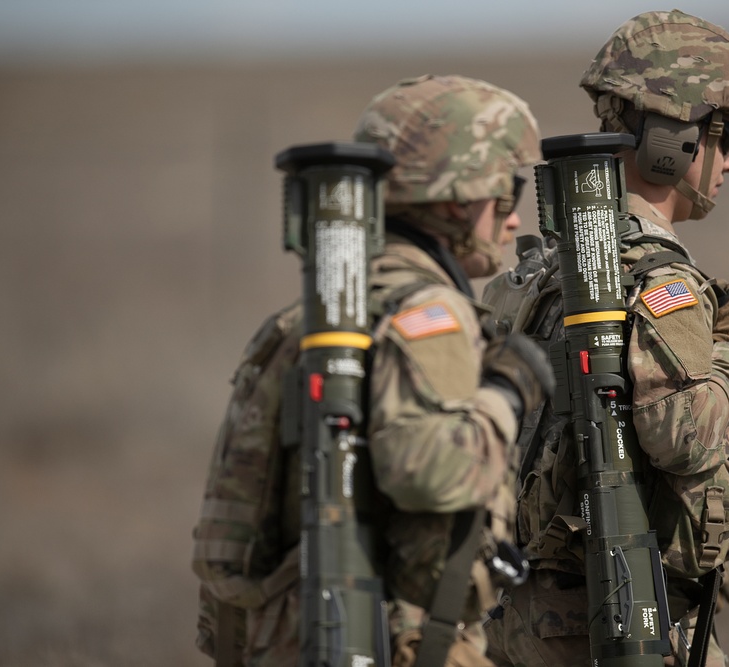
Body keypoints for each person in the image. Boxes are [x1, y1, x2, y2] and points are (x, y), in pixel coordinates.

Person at [193, 73, 555, 667]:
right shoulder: (429, 313)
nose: (513, 221)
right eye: (504, 197)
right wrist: (506, 392)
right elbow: (427, 469)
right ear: (457, 199)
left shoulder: (308, 317)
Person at [482, 10, 729, 667]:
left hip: (519, 621)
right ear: (672, 140)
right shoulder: (657, 273)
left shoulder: (544, 267)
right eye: (723, 135)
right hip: (613, 621)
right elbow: (687, 436)